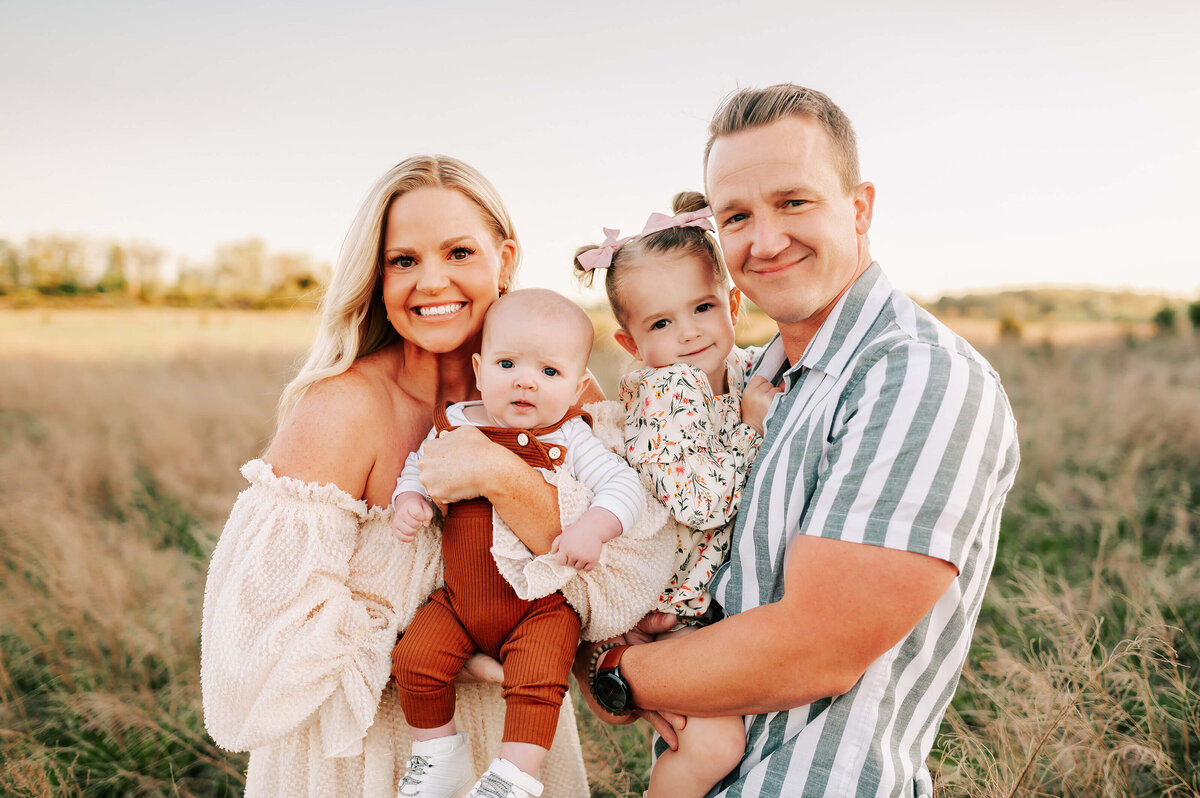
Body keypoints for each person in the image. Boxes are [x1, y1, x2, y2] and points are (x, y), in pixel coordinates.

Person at [576, 84, 1021, 798]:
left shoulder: (913, 375)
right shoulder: (764, 378)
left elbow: (814, 650)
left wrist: (613, 672)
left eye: (794, 202)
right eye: (737, 217)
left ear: (860, 207)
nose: (766, 239)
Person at [200, 155, 674, 798]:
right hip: (366, 754)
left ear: (504, 260)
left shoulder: (564, 397)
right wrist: (459, 656)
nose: (432, 281)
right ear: (376, 275)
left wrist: (499, 474)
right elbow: (257, 648)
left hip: (518, 746)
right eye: (403, 261)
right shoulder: (341, 408)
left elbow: (622, 573)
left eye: (458, 252)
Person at [389, 288, 643, 798]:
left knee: (537, 682)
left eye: (550, 372)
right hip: (461, 600)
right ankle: (439, 755)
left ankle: (513, 779)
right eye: (508, 364)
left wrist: (593, 526)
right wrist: (410, 497)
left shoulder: (570, 438)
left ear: (576, 388)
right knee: (414, 661)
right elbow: (420, 463)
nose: (526, 380)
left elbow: (624, 486)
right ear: (480, 370)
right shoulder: (459, 422)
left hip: (540, 606)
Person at [573, 193, 780, 797]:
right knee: (717, 744)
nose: (688, 333)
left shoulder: (740, 369)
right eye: (661, 323)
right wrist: (751, 430)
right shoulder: (667, 396)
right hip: (667, 605)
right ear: (631, 343)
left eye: (702, 307)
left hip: (705, 602)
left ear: (733, 304)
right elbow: (703, 505)